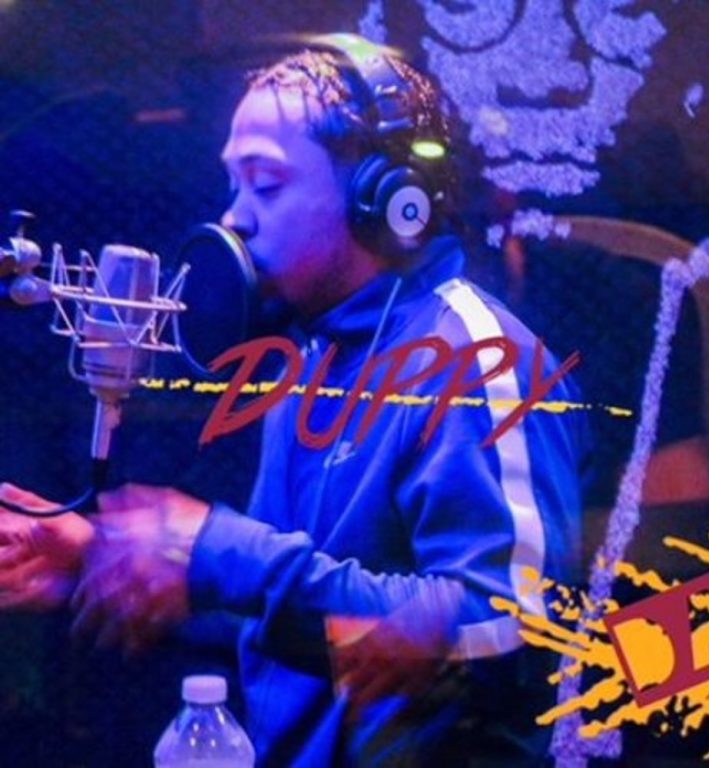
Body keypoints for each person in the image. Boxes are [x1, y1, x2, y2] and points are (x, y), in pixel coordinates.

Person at [0, 35, 584, 766]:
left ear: (384, 201)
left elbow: (509, 632)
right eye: (234, 184)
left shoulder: (474, 361)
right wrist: (117, 564)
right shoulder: (312, 362)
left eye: (266, 184)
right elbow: (326, 625)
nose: (235, 217)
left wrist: (221, 552)